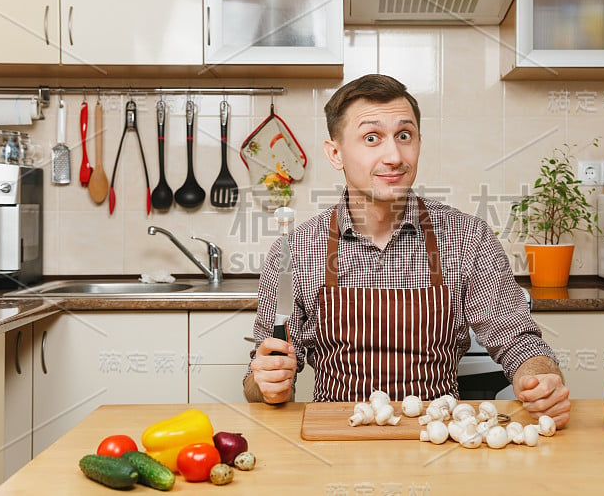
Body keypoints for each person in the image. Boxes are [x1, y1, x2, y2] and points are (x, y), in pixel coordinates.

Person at [244, 74, 571, 428]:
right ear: (335, 153)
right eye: (372, 138)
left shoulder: (467, 238)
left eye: (404, 136)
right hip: (336, 438)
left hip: (440, 437)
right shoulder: (295, 249)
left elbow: (518, 341)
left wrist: (541, 378)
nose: (394, 156)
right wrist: (268, 383)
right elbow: (258, 380)